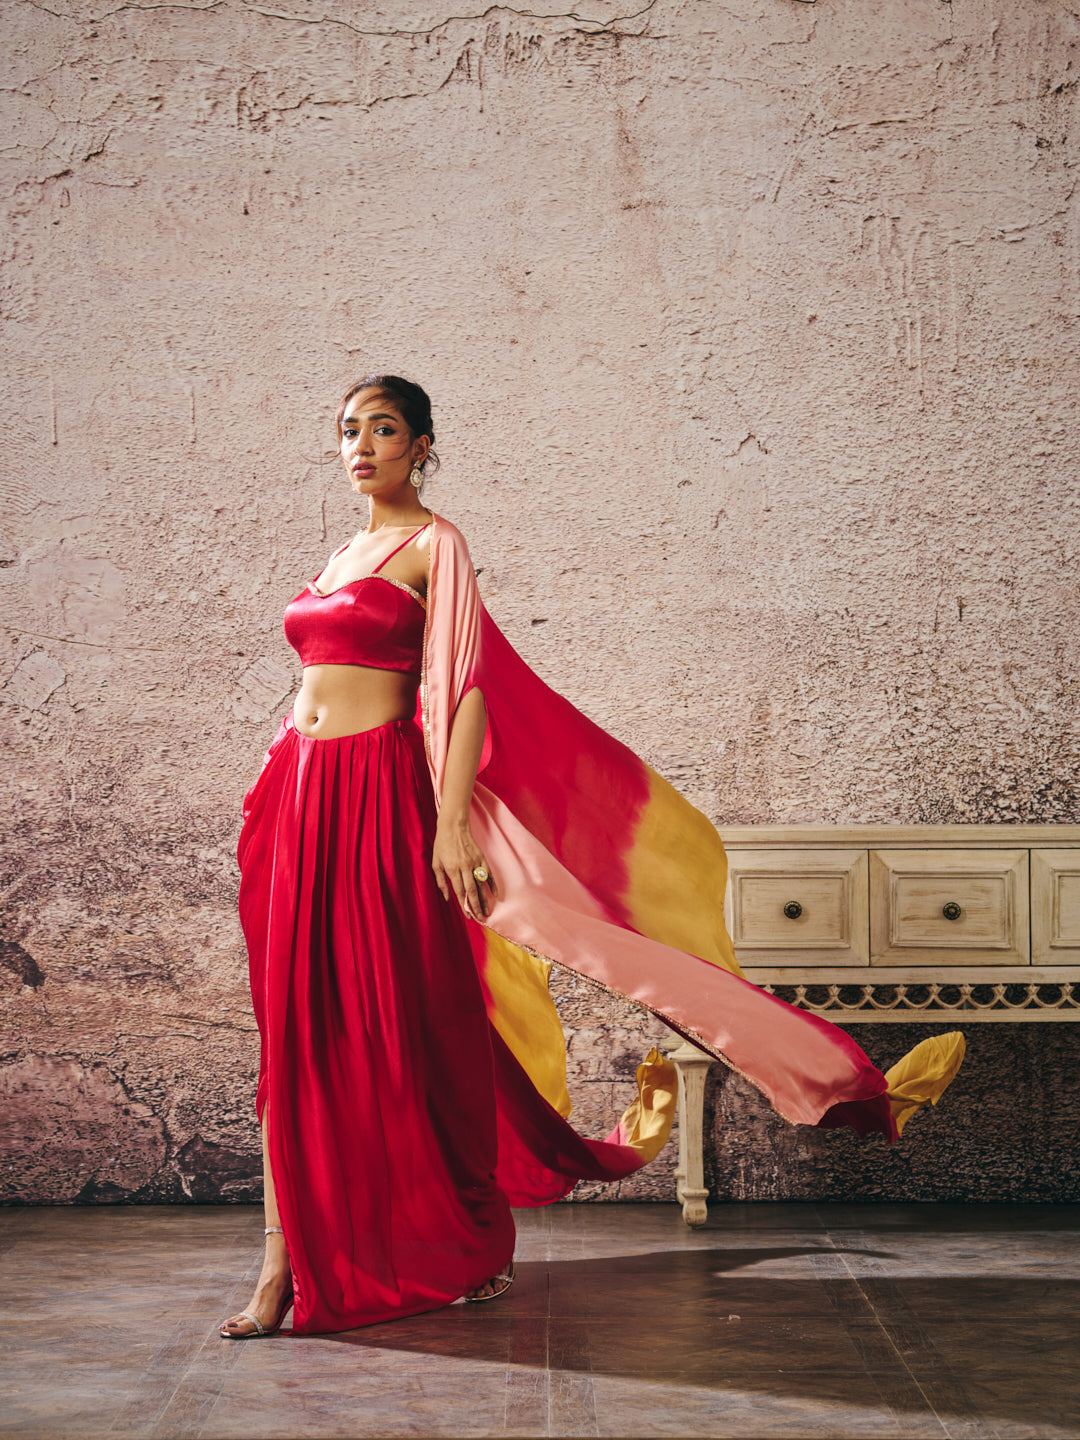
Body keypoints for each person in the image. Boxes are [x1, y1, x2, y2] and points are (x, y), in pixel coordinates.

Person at [219, 375, 964, 1339]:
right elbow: (313, 683)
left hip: (382, 799)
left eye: (384, 429)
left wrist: (449, 824)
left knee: (399, 1025)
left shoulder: (434, 545)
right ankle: (280, 1263)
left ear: (423, 444)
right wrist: (279, 773)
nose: (361, 446)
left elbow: (465, 687)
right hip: (305, 797)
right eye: (348, 430)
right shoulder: (337, 556)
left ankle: (444, 1240)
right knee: (293, 1032)